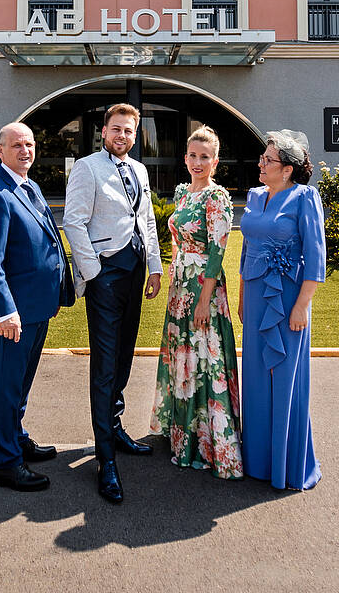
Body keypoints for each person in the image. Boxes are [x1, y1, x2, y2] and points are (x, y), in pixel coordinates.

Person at [62, 103, 163, 504]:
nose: (123, 136)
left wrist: (154, 267)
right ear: (103, 131)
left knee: (123, 357)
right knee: (104, 367)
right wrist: (94, 271)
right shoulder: (87, 168)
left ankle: (116, 428)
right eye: (116, 129)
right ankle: (105, 460)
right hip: (105, 276)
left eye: (129, 131)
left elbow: (148, 221)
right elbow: (74, 221)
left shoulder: (138, 170)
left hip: (135, 271)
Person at [0, 122, 67, 492]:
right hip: (14, 315)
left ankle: (16, 436)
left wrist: (57, 291)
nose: (25, 150)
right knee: (7, 386)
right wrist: (5, 311)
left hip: (38, 307)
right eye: (16, 145)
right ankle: (6, 462)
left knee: (22, 385)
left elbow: (47, 241)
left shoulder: (30, 185)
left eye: (29, 143)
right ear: (1, 152)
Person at [149, 126, 244, 479]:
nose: (198, 162)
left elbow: (218, 253)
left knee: (204, 358)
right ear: (185, 158)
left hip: (204, 288)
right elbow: (177, 239)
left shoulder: (216, 198)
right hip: (180, 288)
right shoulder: (183, 194)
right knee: (183, 356)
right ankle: (181, 432)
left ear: (215, 161)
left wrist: (204, 300)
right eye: (193, 155)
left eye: (205, 157)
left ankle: (205, 441)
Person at [238, 129, 325, 491]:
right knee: (256, 378)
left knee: (286, 379)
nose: (260, 163)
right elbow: (246, 250)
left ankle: (287, 466)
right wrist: (243, 296)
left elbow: (317, 258)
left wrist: (302, 305)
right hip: (256, 298)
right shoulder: (255, 196)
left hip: (289, 300)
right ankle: (257, 462)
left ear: (287, 169)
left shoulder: (305, 197)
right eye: (262, 158)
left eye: (267, 159)